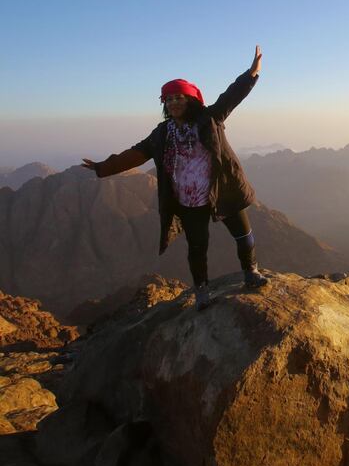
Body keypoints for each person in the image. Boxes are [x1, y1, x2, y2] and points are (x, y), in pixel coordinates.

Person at [82, 46, 269, 310]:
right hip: (189, 199)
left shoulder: (210, 118)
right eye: (168, 100)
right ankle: (202, 291)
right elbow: (136, 153)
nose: (173, 103)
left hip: (221, 189)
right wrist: (103, 167)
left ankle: (251, 272)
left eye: (179, 98)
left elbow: (230, 98)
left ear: (191, 100)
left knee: (244, 234)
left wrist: (250, 75)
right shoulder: (163, 133)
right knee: (197, 247)